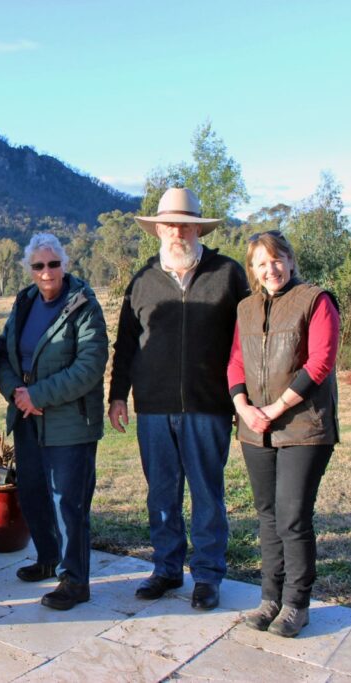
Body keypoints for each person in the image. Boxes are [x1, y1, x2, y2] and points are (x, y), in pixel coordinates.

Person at [109, 187, 249, 611]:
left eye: (185, 224)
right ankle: (166, 569)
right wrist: (117, 397)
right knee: (161, 494)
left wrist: (244, 400)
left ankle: (207, 576)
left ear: (197, 228)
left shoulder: (228, 274)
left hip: (209, 406)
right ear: (158, 230)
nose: (177, 232)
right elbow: (126, 345)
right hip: (153, 407)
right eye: (169, 224)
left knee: (208, 493)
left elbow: (246, 344)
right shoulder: (143, 280)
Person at [229, 230, 340, 638]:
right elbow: (236, 363)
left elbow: (320, 361)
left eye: (276, 260)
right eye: (261, 263)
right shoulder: (245, 308)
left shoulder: (315, 300)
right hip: (255, 429)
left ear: (290, 261)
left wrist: (275, 409)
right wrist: (243, 408)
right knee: (268, 517)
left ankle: (296, 604)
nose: (270, 269)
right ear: (253, 271)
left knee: (292, 517)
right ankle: (269, 599)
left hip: (303, 426)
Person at [0, 233, 108, 611]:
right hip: (26, 417)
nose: (46, 272)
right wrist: (17, 394)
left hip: (69, 422)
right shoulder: (24, 303)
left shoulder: (84, 306)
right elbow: (4, 357)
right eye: (39, 266)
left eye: (53, 264)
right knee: (33, 492)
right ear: (29, 270)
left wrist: (38, 395)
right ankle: (46, 557)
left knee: (68, 503)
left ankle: (74, 581)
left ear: (65, 264)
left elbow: (89, 367)